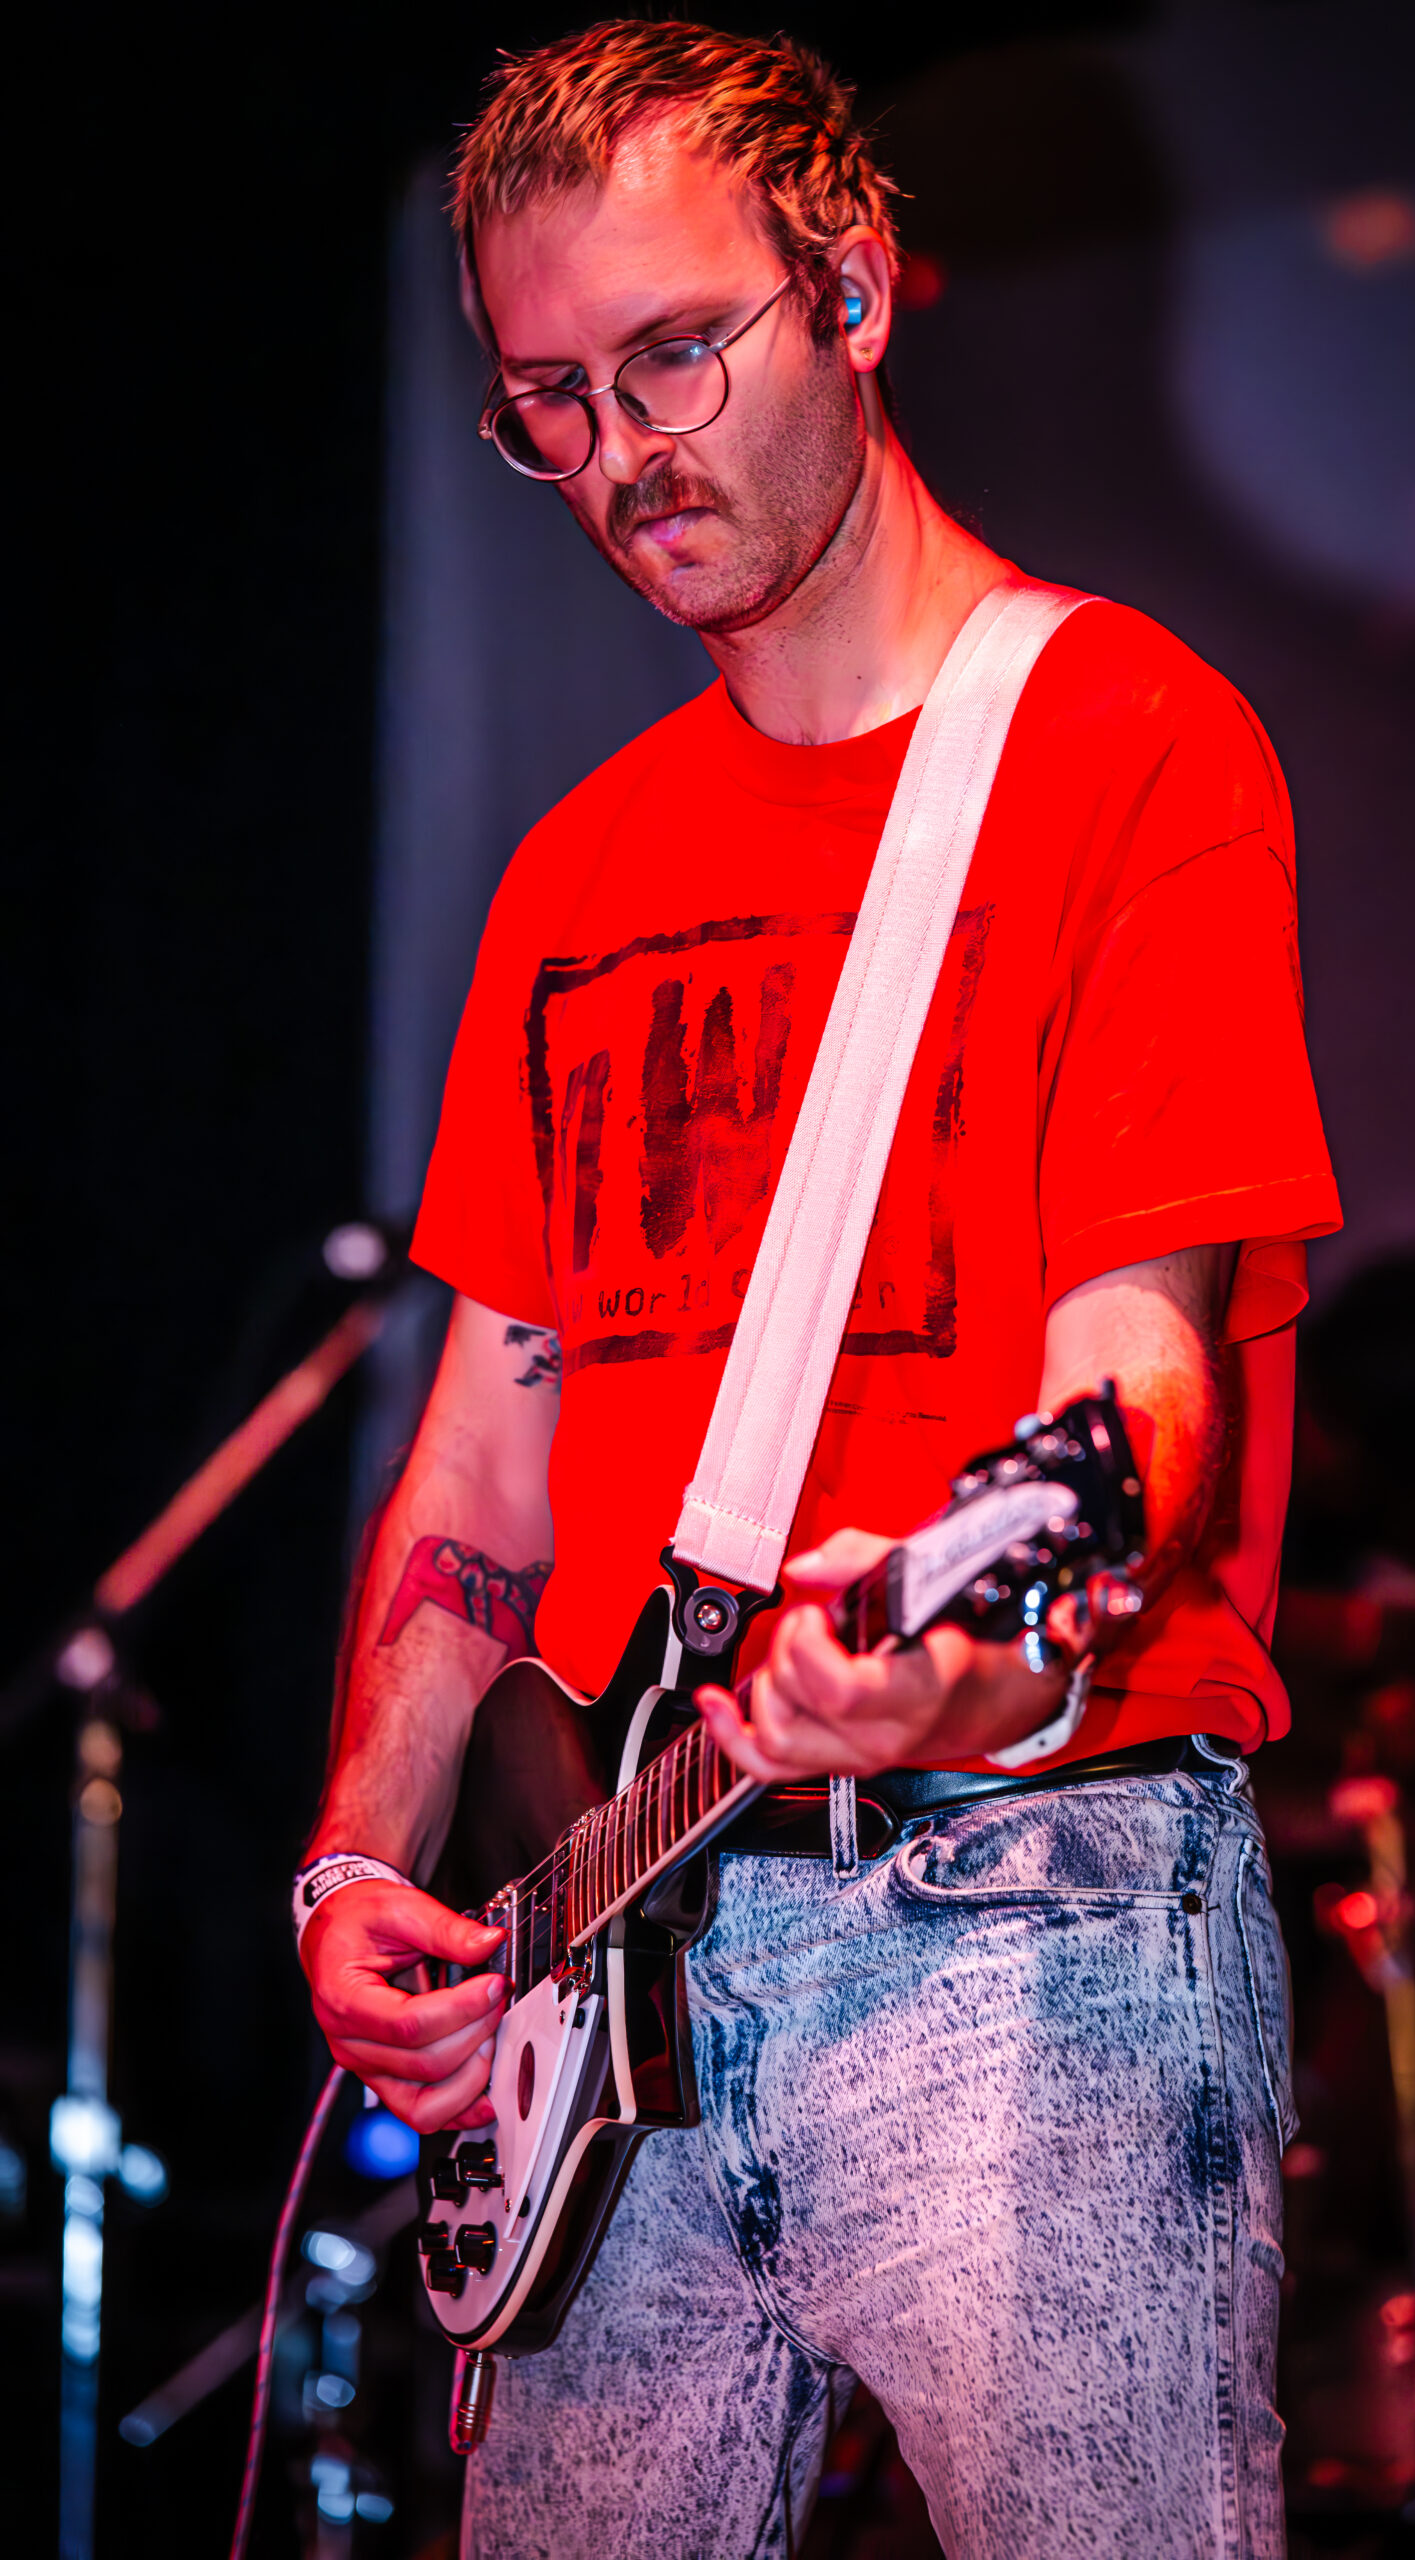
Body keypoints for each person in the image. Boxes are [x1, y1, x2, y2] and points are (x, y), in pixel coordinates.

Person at [296, 23, 1341, 2555]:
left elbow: (1136, 1358)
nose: (622, 449)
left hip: (1028, 1915)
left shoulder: (1124, 746)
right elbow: (484, 1454)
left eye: (678, 352)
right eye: (549, 398)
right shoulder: (573, 868)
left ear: (851, 285)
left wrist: (993, 1636)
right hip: (616, 1946)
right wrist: (359, 1863)